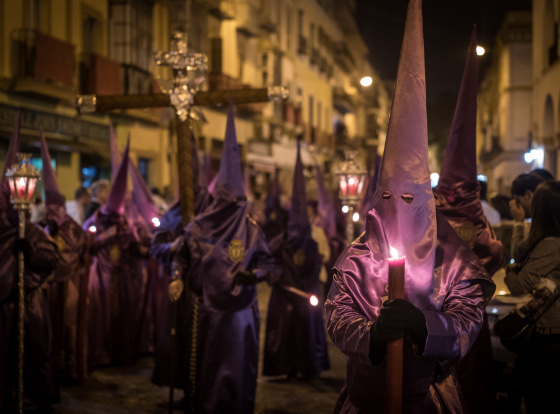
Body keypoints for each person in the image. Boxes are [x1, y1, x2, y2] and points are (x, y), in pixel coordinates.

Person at [326, 2, 495, 412]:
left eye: (409, 200)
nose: (397, 211)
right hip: (366, 400)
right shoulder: (357, 257)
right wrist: (373, 334)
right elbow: (337, 317)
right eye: (388, 199)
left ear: (428, 203)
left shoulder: (453, 260)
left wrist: (426, 327)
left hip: (428, 401)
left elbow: (468, 322)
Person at [169, 102, 280, 413]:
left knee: (238, 370)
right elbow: (180, 256)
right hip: (207, 311)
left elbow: (271, 265)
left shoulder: (252, 229)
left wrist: (254, 275)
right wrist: (176, 278)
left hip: (241, 313)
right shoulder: (199, 227)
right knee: (208, 368)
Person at [433, 28, 504, 414]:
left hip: (438, 316)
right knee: (470, 381)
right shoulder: (480, 219)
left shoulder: (431, 216)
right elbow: (495, 256)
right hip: (468, 320)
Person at [0, 122, 60, 412]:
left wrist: (30, 252)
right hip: (3, 308)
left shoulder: (33, 231)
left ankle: (29, 396)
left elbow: (51, 260)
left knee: (31, 356)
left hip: (29, 305)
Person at [263, 142, 330, 380]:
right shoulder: (280, 241)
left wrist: (306, 285)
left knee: (307, 330)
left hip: (305, 293)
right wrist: (278, 279)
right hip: (285, 295)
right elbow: (267, 262)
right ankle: (288, 367)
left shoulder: (311, 242)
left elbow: (315, 263)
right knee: (287, 330)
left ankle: (309, 366)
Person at [83, 140, 148, 368]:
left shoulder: (123, 222)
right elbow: (86, 244)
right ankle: (101, 354)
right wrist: (103, 236)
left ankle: (122, 352)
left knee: (123, 315)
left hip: (122, 277)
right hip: (101, 275)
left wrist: (146, 248)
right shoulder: (95, 219)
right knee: (101, 317)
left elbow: (133, 245)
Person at [504, 180, 560, 413]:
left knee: (541, 400)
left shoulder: (551, 245)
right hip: (551, 337)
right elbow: (521, 249)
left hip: (550, 338)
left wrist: (509, 271)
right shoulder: (549, 241)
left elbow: (518, 285)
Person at [40, 132, 90, 383]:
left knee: (68, 327)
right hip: (50, 286)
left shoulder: (73, 230)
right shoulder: (46, 227)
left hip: (69, 284)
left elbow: (73, 255)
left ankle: (69, 368)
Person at [509, 173, 545, 263]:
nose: (516, 206)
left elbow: (517, 254)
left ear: (529, 195)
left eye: (518, 200)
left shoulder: (544, 224)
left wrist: (518, 222)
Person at [307, 200, 331, 301]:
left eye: (310, 216)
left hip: (319, 275)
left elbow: (326, 250)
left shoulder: (319, 232)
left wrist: (322, 256)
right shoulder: (297, 234)